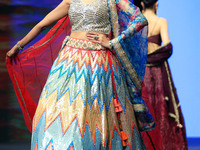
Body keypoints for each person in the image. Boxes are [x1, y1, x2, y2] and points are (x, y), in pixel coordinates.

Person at [6, 0, 155, 149]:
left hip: (99, 64)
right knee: (51, 111)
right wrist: (19, 46)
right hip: (69, 62)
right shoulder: (70, 0)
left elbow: (140, 20)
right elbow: (42, 24)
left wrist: (114, 42)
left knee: (97, 118)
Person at [134, 0, 188, 149]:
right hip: (158, 70)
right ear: (156, 4)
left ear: (142, 4)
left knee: (145, 102)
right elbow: (167, 46)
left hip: (142, 69)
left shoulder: (136, 21)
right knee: (160, 104)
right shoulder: (161, 22)